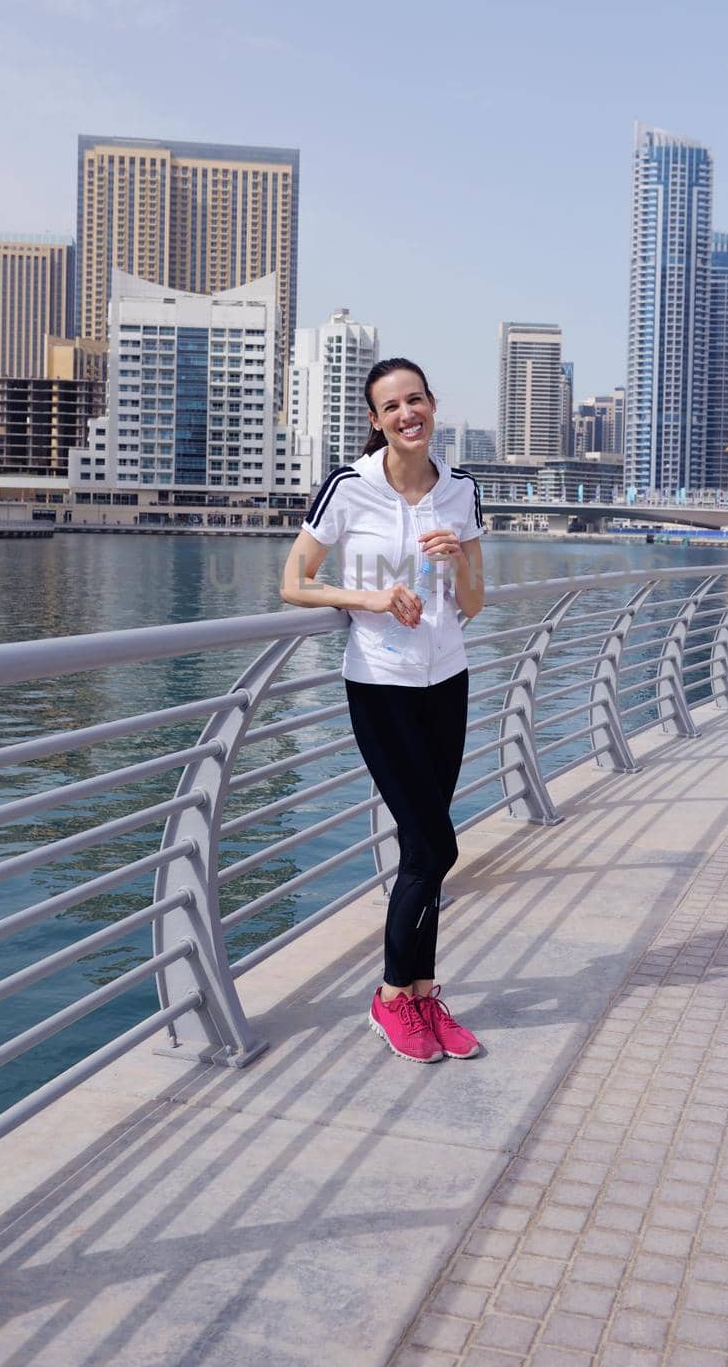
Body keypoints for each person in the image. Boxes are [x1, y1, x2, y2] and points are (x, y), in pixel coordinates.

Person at [281, 357, 485, 1063]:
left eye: (416, 400)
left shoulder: (460, 489)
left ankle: (424, 995)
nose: (407, 414)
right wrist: (365, 599)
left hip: (447, 679)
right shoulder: (349, 486)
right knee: (437, 845)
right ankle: (391, 996)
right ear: (376, 421)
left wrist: (456, 557)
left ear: (432, 405)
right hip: (379, 684)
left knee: (420, 852)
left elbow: (477, 601)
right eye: (391, 406)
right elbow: (291, 582)